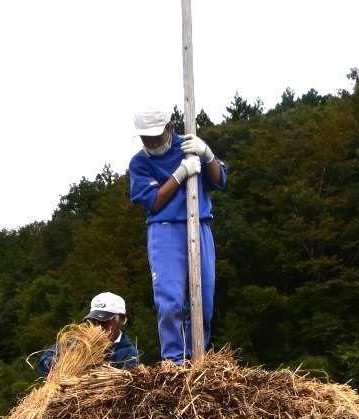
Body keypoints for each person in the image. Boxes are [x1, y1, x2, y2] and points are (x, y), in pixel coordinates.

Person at [129, 107, 227, 363]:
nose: (151, 142)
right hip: (164, 230)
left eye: (156, 136)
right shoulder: (140, 162)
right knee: (170, 301)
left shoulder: (189, 146)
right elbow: (154, 202)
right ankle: (173, 362)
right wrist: (180, 173)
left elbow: (219, 180)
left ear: (170, 128)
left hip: (200, 224)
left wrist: (207, 155)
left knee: (203, 301)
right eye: (145, 138)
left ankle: (198, 358)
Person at [37, 292, 140, 377]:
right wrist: (62, 365)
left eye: (104, 321)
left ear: (121, 319)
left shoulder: (128, 354)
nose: (98, 327)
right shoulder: (80, 341)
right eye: (93, 321)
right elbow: (44, 361)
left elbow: (122, 388)